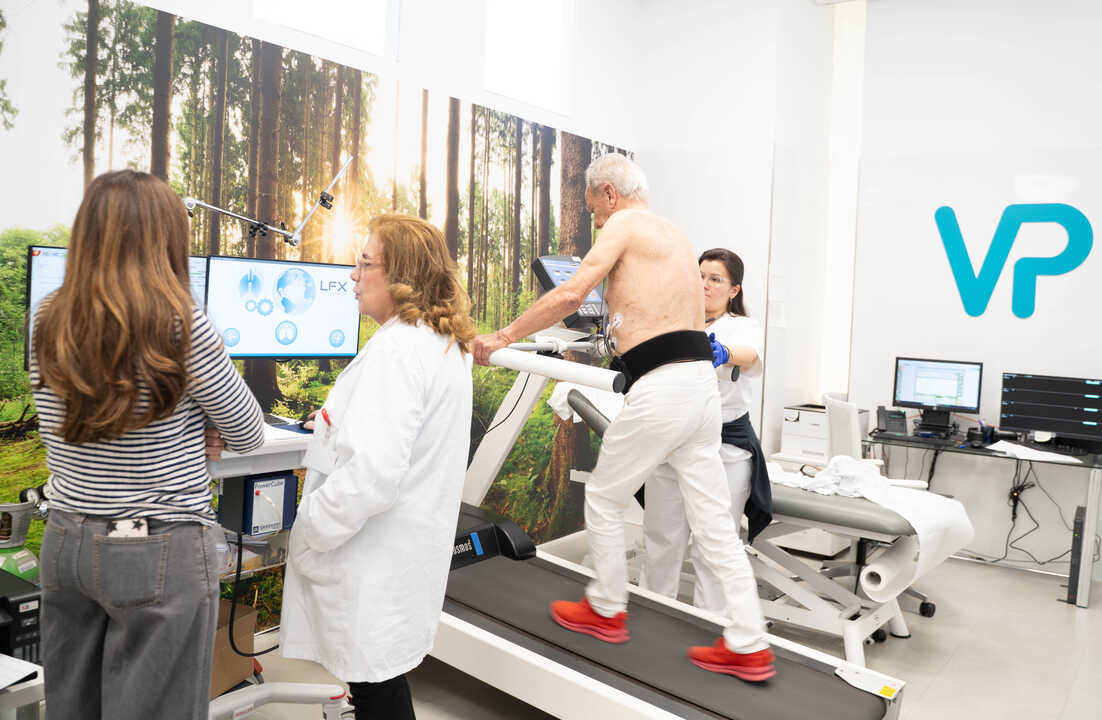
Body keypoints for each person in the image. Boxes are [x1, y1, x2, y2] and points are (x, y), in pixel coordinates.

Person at [471, 154, 774, 681]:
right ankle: (749, 643)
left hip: (664, 387)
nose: (596, 221)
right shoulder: (673, 234)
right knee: (714, 527)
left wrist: (503, 337)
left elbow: (571, 293)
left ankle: (606, 609)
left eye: (594, 210)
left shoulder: (626, 224)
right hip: (700, 391)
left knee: (605, 497)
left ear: (609, 193)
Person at [31, 170, 266, 720]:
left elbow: (72, 420)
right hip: (156, 545)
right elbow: (248, 432)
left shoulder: (49, 319)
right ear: (166, 240)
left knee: (71, 709)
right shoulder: (182, 325)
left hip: (65, 540)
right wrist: (202, 425)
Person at [279, 214, 475, 719]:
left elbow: (370, 477)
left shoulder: (398, 350)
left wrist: (308, 531)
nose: (353, 274)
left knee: (375, 688)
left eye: (365, 264)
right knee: (378, 685)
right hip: (400, 552)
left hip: (371, 554)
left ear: (401, 276)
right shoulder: (439, 342)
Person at [642, 248, 773, 613]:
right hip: (671, 441)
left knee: (713, 545)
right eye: (700, 276)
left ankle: (712, 623)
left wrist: (724, 352)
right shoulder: (675, 320)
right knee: (661, 539)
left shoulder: (741, 326)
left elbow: (749, 355)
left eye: (715, 279)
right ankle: (653, 612)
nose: (704, 285)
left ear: (734, 290)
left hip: (723, 447)